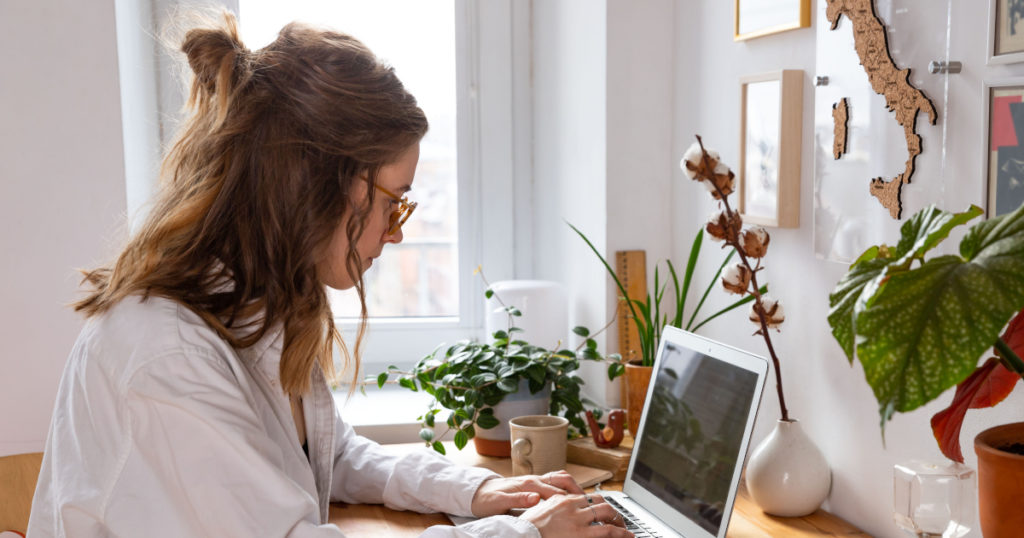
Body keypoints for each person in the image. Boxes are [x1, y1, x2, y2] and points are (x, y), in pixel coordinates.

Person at [26, 11, 631, 538]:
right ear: (311, 185)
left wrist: (475, 494)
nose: (396, 232)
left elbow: (331, 455)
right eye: (393, 202)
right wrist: (522, 533)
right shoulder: (166, 357)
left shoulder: (261, 308)